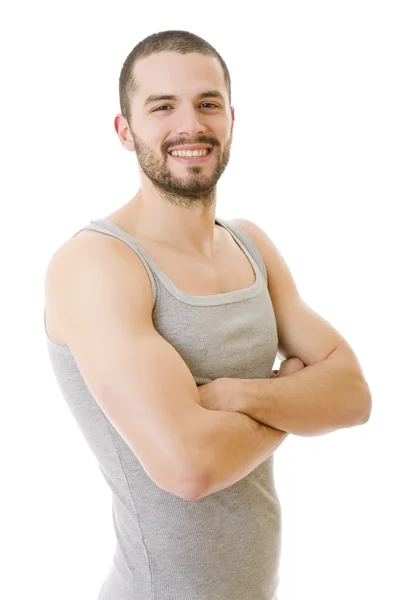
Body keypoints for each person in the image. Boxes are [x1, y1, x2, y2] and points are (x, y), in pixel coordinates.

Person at [44, 30, 371, 600]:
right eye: (162, 106)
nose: (189, 125)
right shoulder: (97, 263)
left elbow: (353, 395)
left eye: (207, 103)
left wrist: (239, 395)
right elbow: (188, 468)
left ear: (231, 119)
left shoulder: (251, 245)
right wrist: (295, 396)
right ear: (125, 131)